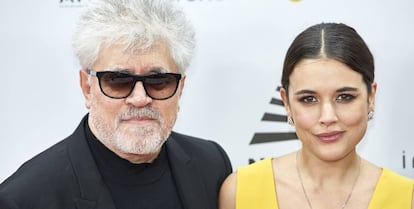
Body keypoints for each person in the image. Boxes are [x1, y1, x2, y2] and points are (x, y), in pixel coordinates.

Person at [0, 0, 232, 209]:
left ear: (179, 88)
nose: (140, 98)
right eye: (118, 81)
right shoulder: (24, 198)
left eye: (158, 80)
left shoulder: (211, 164)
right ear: (87, 88)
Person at [219, 22, 414, 209]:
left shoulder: (406, 198)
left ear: (371, 97)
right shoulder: (240, 191)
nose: (327, 117)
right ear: (286, 103)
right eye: (309, 99)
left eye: (344, 97)